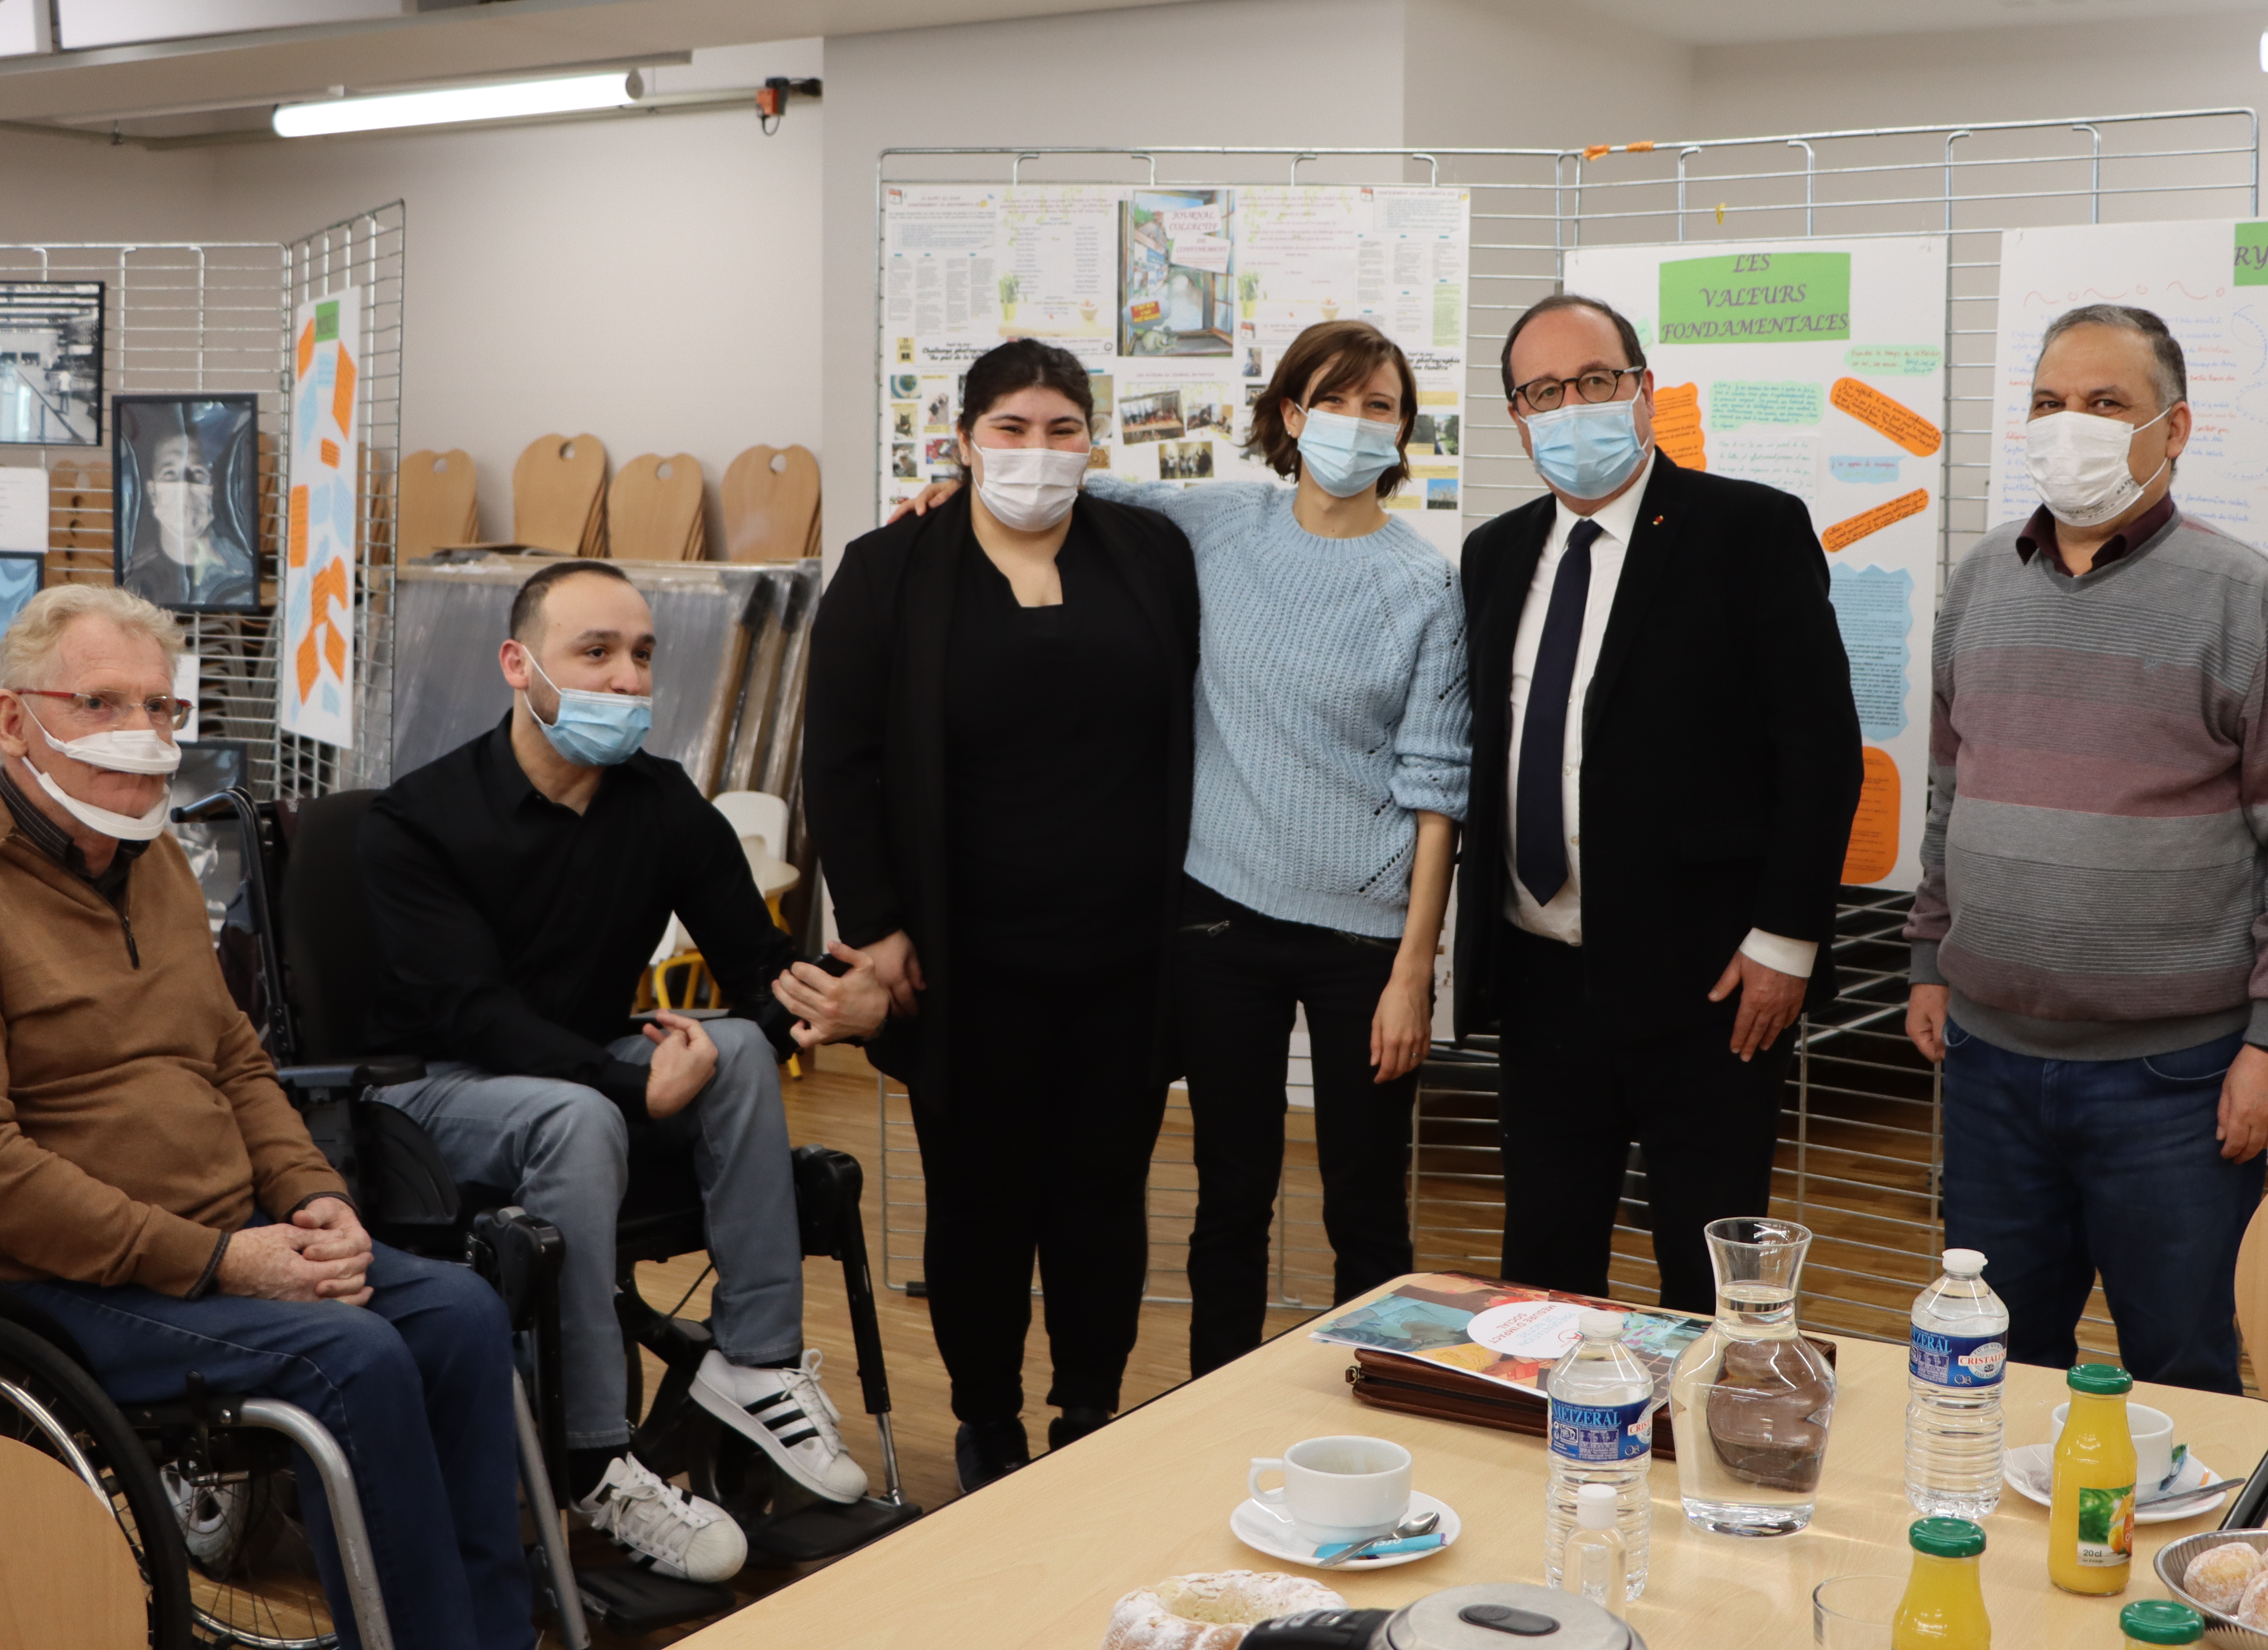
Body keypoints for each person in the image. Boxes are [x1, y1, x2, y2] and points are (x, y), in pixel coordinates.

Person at [0, 585, 551, 1650]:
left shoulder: (158, 864)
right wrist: (225, 1261)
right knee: (355, 1358)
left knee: (463, 1313)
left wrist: (315, 1199)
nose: (142, 732)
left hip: (225, 1243)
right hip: (47, 1285)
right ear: (15, 722)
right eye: (103, 702)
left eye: (161, 707)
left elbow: (235, 1064)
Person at [899, 320, 1469, 1377]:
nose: (1354, 423)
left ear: (1404, 430)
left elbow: (1438, 792)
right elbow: (1082, 493)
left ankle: (1386, 1392)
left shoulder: (1425, 584)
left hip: (1364, 944)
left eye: (1380, 405)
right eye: (1331, 401)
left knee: (1365, 1199)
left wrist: (1413, 974)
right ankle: (1218, 1397)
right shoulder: (1218, 521)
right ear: (1291, 414)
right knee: (1230, 1190)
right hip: (1219, 920)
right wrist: (955, 489)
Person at [362, 560, 891, 1582]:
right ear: (521, 664)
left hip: (578, 1074)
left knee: (731, 1043)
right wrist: (625, 1087)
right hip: (428, 1089)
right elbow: (472, 1010)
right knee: (579, 1117)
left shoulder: (656, 796)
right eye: (594, 652)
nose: (624, 678)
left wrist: (833, 996)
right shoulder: (417, 819)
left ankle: (755, 1362)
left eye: (642, 654)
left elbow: (754, 963)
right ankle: (593, 1450)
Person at [1904, 302, 2268, 1393]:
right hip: (1988, 1064)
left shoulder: (2253, 599)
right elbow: (1948, 788)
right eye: (2048, 403)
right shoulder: (1978, 583)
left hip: (2177, 1076)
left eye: (2105, 403)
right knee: (1994, 1364)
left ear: (2175, 427)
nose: (2071, 426)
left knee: (2181, 1370)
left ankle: (2176, 1565)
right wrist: (1929, 953)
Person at [806, 338, 1199, 1491]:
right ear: (965, 438)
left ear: (1094, 441)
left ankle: (1089, 1410)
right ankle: (986, 1424)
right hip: (959, 965)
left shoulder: (1152, 553)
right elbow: (841, 762)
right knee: (978, 1205)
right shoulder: (892, 570)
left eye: (1062, 429)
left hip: (1125, 957)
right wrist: (877, 926)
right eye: (1013, 429)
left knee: (1102, 1201)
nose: (1037, 452)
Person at [1453, 294, 1861, 1319]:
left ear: (1643, 388)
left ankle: (1707, 1464)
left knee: (1706, 1276)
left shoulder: (1748, 530)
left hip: (1711, 984)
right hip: (1542, 975)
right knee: (1544, 1273)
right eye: (1542, 391)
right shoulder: (1495, 554)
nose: (1570, 406)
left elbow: (1819, 753)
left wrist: (1786, 940)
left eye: (1594, 380)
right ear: (1516, 415)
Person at [120, 417, 256, 608]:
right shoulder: (135, 581)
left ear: (211, 488)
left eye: (198, 473)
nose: (184, 486)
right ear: (152, 492)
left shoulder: (240, 574)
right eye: (170, 474)